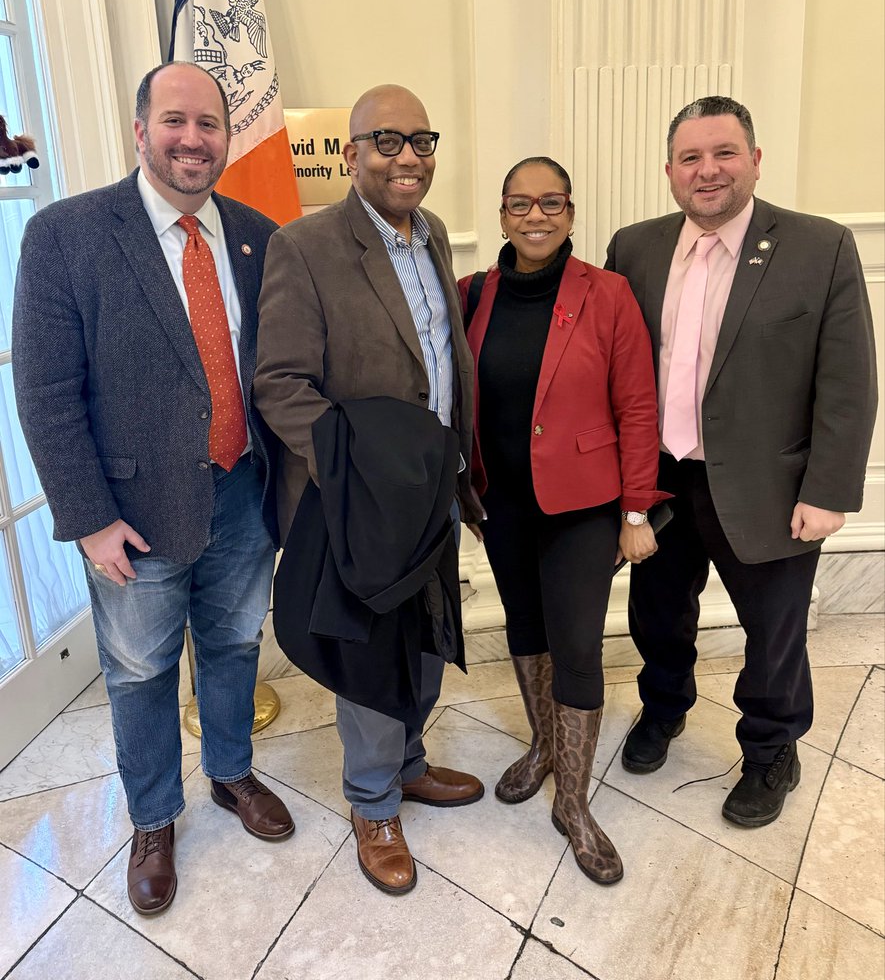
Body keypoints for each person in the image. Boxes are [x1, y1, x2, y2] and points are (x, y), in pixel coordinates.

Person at [11, 62, 294, 916]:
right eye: (175, 121)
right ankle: (152, 818)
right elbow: (45, 393)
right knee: (137, 671)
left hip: (243, 493)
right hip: (130, 515)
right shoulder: (68, 234)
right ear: (141, 130)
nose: (192, 139)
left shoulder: (255, 233)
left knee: (237, 643)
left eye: (209, 124)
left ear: (227, 136)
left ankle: (231, 773)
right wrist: (90, 521)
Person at [606, 96, 877, 827]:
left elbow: (847, 382)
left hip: (770, 486)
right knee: (658, 616)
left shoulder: (818, 247)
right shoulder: (633, 247)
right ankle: (662, 710)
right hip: (661, 480)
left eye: (723, 153)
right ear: (668, 171)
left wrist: (827, 490)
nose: (707, 170)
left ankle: (769, 750)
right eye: (690, 157)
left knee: (774, 630)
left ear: (754, 160)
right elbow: (611, 369)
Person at [254, 83, 484, 896]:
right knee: (371, 650)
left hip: (435, 490)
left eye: (420, 140)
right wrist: (362, 473)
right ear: (349, 155)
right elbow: (280, 384)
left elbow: (440, 363)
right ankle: (372, 801)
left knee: (425, 636)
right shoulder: (306, 245)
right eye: (385, 141)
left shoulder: (434, 236)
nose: (406, 157)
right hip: (363, 498)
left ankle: (410, 764)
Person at [459, 156, 669, 884]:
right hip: (503, 503)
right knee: (523, 629)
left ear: (571, 213)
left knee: (575, 645)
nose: (535, 216)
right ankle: (544, 747)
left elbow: (637, 405)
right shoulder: (474, 294)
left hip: (584, 505)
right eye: (520, 204)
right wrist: (465, 496)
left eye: (550, 203)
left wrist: (636, 507)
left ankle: (572, 802)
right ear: (502, 215)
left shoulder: (607, 294)